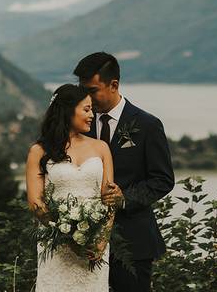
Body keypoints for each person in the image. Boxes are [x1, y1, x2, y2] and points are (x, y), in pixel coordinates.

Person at [75, 51, 175, 292]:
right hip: (83, 239)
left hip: (133, 241)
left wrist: (125, 199)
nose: (87, 98)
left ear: (114, 85)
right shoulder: (79, 125)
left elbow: (163, 180)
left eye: (92, 90)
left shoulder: (148, 125)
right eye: (83, 90)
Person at [26, 84, 115, 292]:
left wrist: (102, 240)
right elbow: (36, 204)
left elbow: (109, 199)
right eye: (86, 109)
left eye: (92, 109)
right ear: (67, 110)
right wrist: (68, 237)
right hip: (56, 246)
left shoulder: (101, 148)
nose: (92, 115)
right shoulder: (39, 151)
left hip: (94, 246)